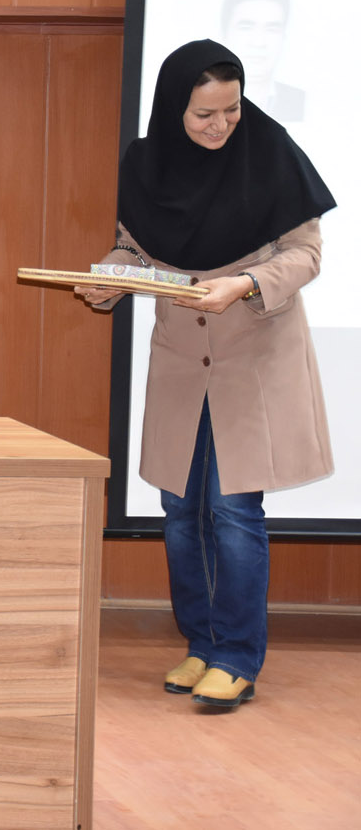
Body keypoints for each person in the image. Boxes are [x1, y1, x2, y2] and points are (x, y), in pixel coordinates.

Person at [78, 39, 335, 709]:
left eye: (231, 109)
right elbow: (137, 250)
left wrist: (244, 283)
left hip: (254, 355)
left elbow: (306, 255)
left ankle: (237, 655)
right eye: (203, 114)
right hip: (181, 361)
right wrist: (109, 277)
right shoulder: (146, 162)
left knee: (232, 508)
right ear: (173, 110)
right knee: (179, 510)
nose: (221, 125)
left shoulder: (270, 151)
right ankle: (200, 643)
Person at [221, 0, 304, 122]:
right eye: (246, 27)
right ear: (225, 34)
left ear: (284, 38)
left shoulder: (302, 102)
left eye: (271, 29)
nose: (259, 42)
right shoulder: (200, 98)